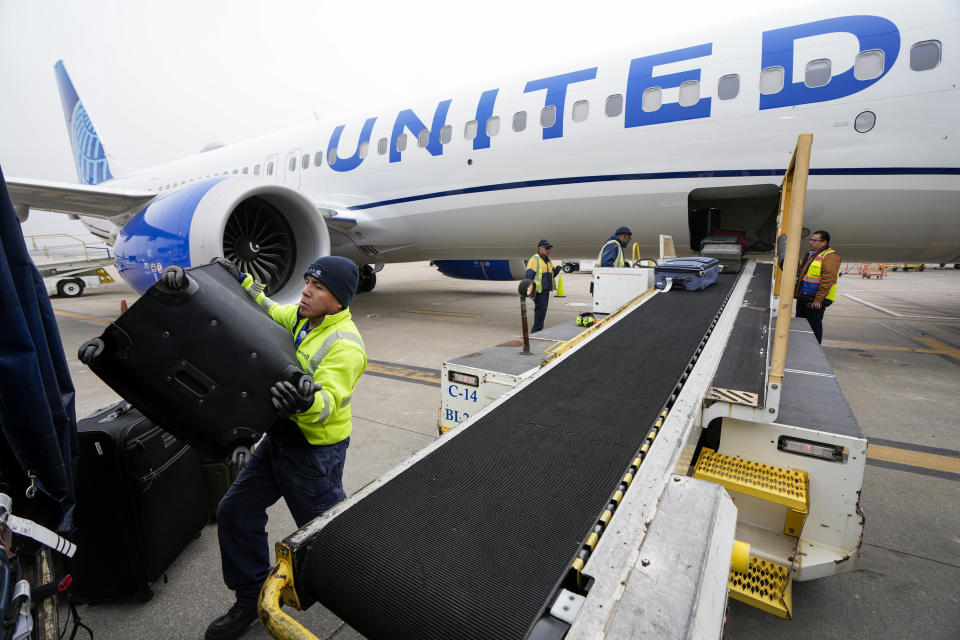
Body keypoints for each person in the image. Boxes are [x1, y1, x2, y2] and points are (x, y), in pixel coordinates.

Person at [187, 256, 367, 640]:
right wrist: (241, 281)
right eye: (307, 282)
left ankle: (372, 597)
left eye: (318, 287)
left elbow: (330, 402)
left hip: (315, 453)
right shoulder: (303, 319)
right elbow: (270, 308)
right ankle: (250, 599)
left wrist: (306, 403)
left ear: (338, 300)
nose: (306, 291)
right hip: (280, 440)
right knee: (234, 509)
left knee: (326, 539)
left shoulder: (346, 345)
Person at [795, 230, 840, 344]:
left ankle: (813, 351)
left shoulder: (830, 256)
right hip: (804, 296)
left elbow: (828, 279)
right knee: (800, 325)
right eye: (810, 239)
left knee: (813, 328)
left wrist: (819, 299)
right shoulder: (810, 254)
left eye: (815, 240)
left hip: (816, 299)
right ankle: (802, 348)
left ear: (824, 242)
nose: (811, 242)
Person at [525, 239, 562, 333]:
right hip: (538, 291)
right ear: (540, 248)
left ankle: (538, 329)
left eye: (549, 248)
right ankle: (536, 331)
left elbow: (549, 275)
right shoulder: (535, 260)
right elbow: (529, 277)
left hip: (545, 290)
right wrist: (531, 292)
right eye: (546, 248)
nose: (548, 250)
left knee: (542, 311)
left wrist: (555, 272)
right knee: (540, 311)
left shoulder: (547, 261)